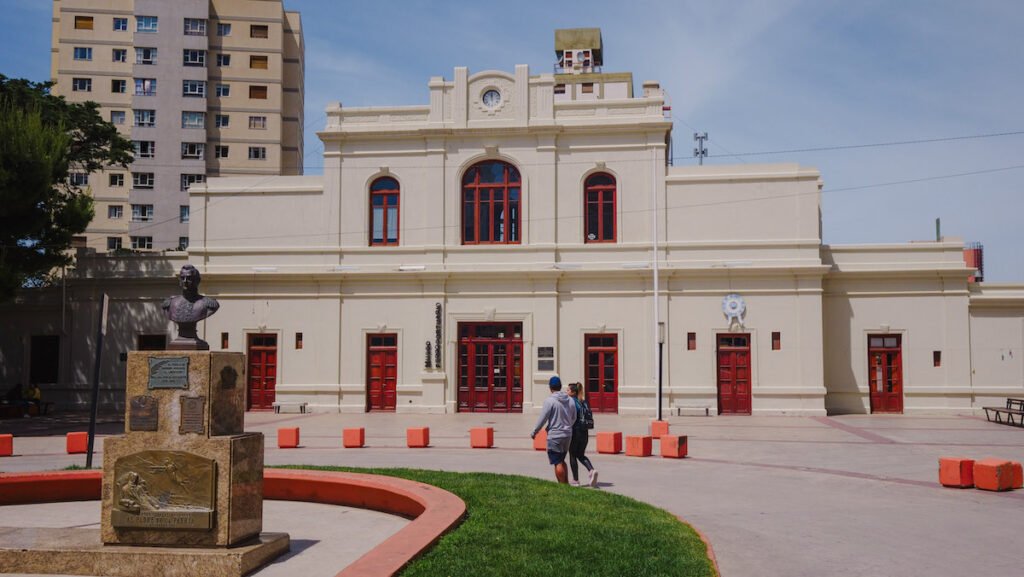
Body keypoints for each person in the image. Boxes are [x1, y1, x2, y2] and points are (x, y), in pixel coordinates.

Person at [531, 376, 576, 484]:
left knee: (557, 462)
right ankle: (566, 484)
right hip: (567, 435)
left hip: (555, 435)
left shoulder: (549, 401)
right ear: (560, 387)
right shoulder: (570, 400)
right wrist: (568, 426)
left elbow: (543, 418)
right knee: (562, 459)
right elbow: (574, 417)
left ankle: (562, 485)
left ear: (550, 388)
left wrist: (535, 431)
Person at [567, 382, 598, 487]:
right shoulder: (584, 402)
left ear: (573, 392)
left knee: (572, 455)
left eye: (568, 390)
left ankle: (575, 480)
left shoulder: (571, 402)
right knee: (580, 455)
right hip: (585, 432)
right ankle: (591, 470)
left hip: (575, 432)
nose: (566, 392)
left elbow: (569, 418)